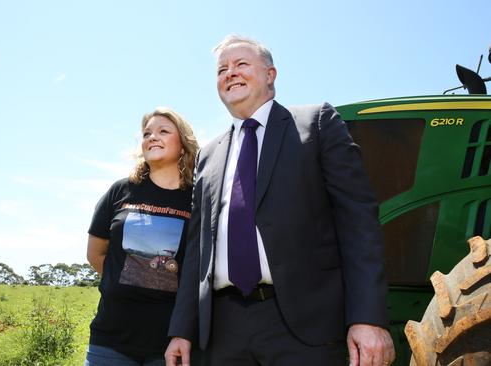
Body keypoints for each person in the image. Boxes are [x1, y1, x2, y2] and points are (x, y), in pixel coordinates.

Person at [165, 35, 395, 366]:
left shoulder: (316, 124)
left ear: (270, 75)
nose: (230, 73)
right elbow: (197, 252)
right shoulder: (208, 155)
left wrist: (368, 318)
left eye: (241, 64)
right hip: (222, 332)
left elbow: (358, 222)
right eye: (222, 69)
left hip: (305, 329)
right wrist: (182, 330)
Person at [86, 107, 200, 366]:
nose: (152, 137)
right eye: (147, 133)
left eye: (163, 131)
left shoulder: (197, 199)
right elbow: (95, 253)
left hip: (169, 341)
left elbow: (199, 268)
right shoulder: (120, 191)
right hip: (110, 337)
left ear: (182, 143)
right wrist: (125, 279)